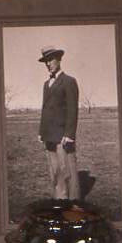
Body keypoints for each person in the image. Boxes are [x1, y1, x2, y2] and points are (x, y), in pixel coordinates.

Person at [35, 47, 81, 201]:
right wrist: (42, 131)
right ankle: (60, 201)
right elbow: (45, 109)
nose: (48, 64)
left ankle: (74, 204)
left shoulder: (69, 81)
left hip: (63, 136)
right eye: (46, 61)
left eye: (51, 59)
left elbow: (73, 110)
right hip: (49, 135)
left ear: (59, 59)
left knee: (67, 171)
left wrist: (69, 134)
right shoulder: (45, 84)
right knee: (54, 171)